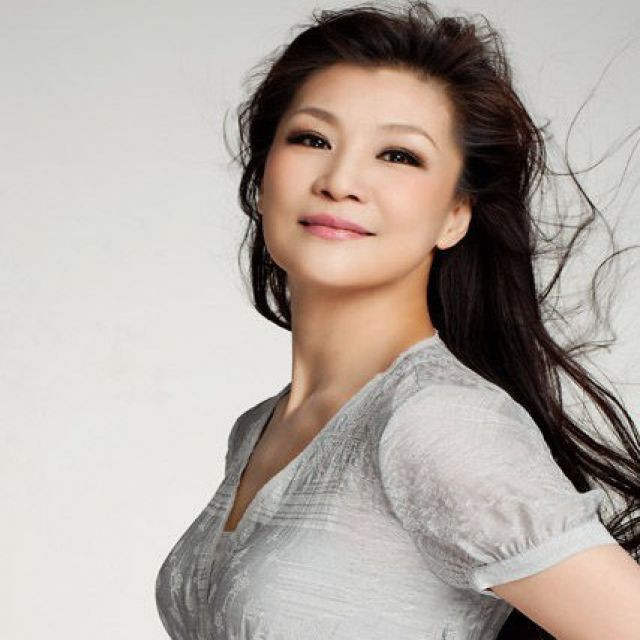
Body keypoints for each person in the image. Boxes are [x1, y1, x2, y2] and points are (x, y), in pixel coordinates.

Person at [155, 2, 640, 638]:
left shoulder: (434, 421)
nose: (341, 180)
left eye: (399, 155)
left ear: (455, 215)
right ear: (262, 176)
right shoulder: (258, 428)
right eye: (312, 139)